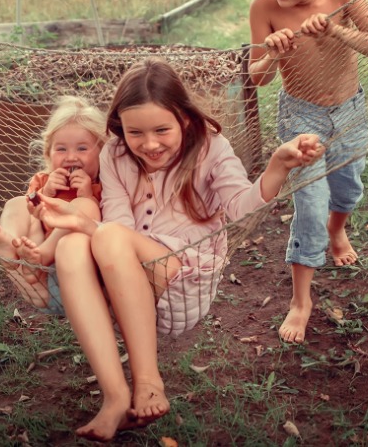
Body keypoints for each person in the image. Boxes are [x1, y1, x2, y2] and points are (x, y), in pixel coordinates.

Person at [36, 58, 324, 441]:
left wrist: (277, 165)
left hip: (183, 281)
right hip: (129, 279)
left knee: (98, 235)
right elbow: (119, 224)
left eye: (161, 130)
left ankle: (148, 380)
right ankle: (115, 395)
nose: (149, 144)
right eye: (135, 132)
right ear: (120, 128)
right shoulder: (116, 155)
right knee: (73, 245)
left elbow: (239, 207)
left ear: (184, 119)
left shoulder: (211, 148)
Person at [247, 0, 368, 344]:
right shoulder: (265, 7)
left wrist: (338, 32)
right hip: (302, 117)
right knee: (310, 203)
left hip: (349, 112)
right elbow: (258, 77)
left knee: (348, 190)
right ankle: (301, 300)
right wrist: (273, 52)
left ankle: (337, 230)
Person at [0, 96, 105, 311]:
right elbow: (33, 216)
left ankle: (39, 257)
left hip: (78, 275)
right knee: (18, 203)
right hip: (35, 277)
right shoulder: (44, 181)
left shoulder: (103, 187)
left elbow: (102, 228)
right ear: (48, 154)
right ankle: (10, 246)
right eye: (61, 149)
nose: (70, 157)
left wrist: (88, 196)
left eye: (82, 149)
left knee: (86, 208)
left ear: (102, 153)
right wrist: (44, 194)